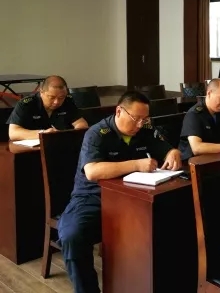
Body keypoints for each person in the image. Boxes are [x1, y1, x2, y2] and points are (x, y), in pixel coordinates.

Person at [58, 91, 182, 293]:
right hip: (94, 197)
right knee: (72, 236)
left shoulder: (145, 129)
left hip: (134, 197)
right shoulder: (97, 133)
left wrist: (172, 152)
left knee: (170, 220)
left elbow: (165, 148)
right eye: (136, 118)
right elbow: (92, 171)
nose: (140, 124)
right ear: (119, 111)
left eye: (145, 119)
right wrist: (136, 164)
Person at [7, 75, 89, 141]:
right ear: (41, 92)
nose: (56, 102)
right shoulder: (27, 104)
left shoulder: (67, 101)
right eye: (51, 97)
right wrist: (43, 134)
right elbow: (13, 133)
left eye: (61, 97)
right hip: (31, 149)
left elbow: (81, 124)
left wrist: (72, 136)